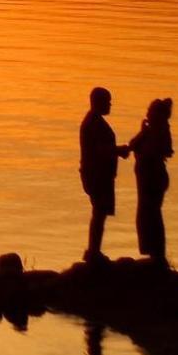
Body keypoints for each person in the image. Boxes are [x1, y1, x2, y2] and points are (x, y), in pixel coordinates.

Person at [79, 87, 130, 261]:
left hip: (99, 174)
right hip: (97, 175)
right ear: (97, 102)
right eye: (107, 102)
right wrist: (119, 150)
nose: (110, 105)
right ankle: (93, 252)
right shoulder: (93, 123)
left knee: (99, 213)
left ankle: (94, 250)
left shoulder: (94, 121)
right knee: (99, 213)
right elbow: (99, 150)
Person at [129, 97, 174, 264]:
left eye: (149, 111)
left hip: (153, 178)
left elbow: (151, 152)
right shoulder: (151, 130)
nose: (146, 113)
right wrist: (142, 132)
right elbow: (133, 144)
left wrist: (143, 136)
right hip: (148, 178)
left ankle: (157, 254)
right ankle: (153, 251)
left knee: (151, 214)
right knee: (148, 214)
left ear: (155, 114)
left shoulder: (160, 131)